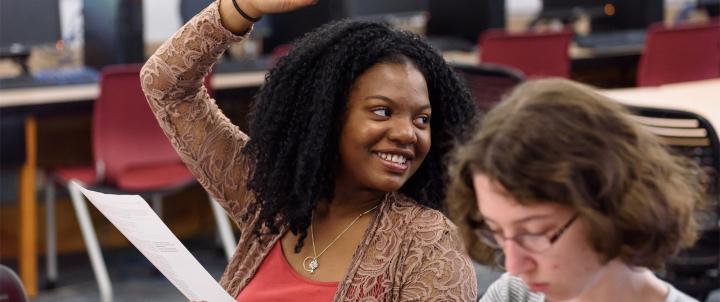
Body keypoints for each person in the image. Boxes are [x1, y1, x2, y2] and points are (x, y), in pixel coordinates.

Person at [140, 0, 479, 300]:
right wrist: (242, 7)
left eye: (422, 119)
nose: (408, 133)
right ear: (328, 115)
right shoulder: (272, 202)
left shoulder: (427, 244)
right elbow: (167, 88)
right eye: (382, 112)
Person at [446, 79, 704, 302]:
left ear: (612, 207)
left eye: (535, 233)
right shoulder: (515, 294)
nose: (513, 265)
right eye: (497, 232)